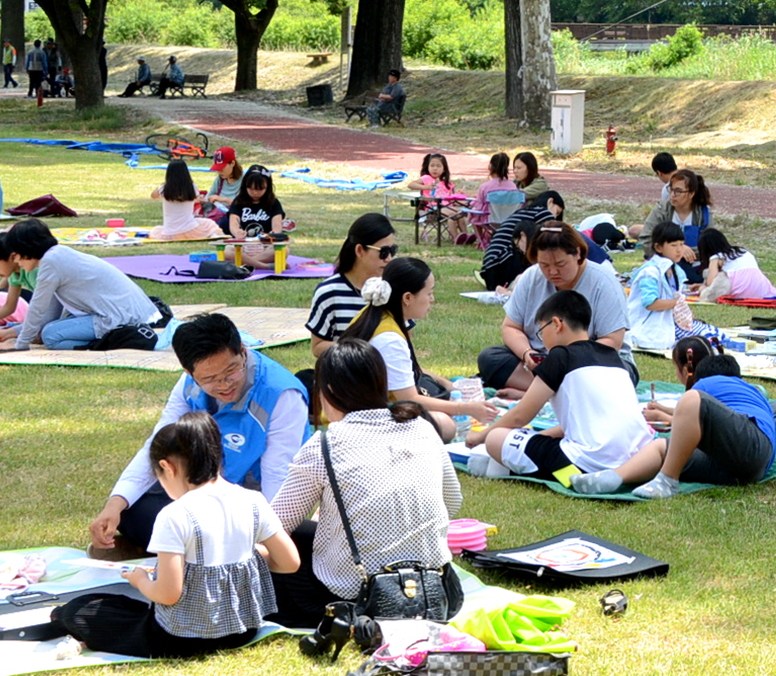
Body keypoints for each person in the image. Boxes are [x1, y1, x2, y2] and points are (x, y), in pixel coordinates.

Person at [56, 412, 300, 658]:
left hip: (180, 639)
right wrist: (250, 554)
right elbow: (290, 562)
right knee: (122, 607)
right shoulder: (253, 500)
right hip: (243, 630)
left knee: (80, 610)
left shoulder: (175, 515)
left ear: (167, 467)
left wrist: (140, 580)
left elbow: (168, 594)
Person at [267, 339, 462, 630]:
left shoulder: (324, 444)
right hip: (434, 589)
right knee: (313, 531)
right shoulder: (422, 427)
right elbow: (452, 502)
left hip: (357, 595)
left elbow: (274, 525)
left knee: (282, 543)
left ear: (328, 391)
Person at [87, 314, 310, 555]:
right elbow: (158, 444)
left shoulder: (281, 395)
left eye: (231, 371)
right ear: (189, 372)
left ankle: (178, 551)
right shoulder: (188, 383)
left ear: (243, 351)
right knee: (131, 509)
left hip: (250, 502)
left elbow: (278, 477)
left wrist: (265, 545)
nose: (224, 385)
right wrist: (114, 504)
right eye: (210, 379)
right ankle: (183, 548)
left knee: (180, 525)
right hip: (205, 492)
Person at [472, 291, 662, 495]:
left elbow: (520, 415)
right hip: (636, 459)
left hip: (585, 461)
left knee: (497, 438)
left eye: (541, 332)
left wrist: (482, 436)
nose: (542, 340)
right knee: (535, 439)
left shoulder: (560, 356)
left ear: (556, 324)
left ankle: (564, 476)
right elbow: (581, 422)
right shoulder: (614, 358)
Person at [344, 258, 496, 442]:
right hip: (363, 421)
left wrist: (445, 382)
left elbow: (402, 369)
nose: (432, 299)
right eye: (429, 293)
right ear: (407, 298)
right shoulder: (389, 339)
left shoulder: (375, 316)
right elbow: (411, 400)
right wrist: (468, 409)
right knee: (445, 425)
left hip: (351, 410)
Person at [479, 223, 633, 390]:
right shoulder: (531, 277)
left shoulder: (604, 282)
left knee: (617, 375)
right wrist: (527, 354)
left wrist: (564, 361)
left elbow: (612, 341)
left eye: (560, 264)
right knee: (491, 358)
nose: (552, 272)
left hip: (589, 364)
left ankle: (540, 393)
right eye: (544, 265)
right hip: (541, 362)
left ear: (578, 254)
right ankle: (550, 392)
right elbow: (511, 327)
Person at [0, 219, 167, 351]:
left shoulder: (50, 263)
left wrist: (21, 343)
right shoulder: (55, 256)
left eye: (16, 255)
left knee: (51, 336)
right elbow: (49, 313)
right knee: (52, 329)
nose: (17, 261)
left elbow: (38, 309)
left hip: (118, 316)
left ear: (26, 249)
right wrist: (13, 332)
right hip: (122, 312)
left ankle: (109, 343)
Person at [628, 349, 776, 498]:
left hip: (752, 448)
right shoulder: (751, 392)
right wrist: (662, 410)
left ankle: (667, 480)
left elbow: (690, 421)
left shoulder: (706, 383)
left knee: (692, 399)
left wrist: (661, 415)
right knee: (663, 447)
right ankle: (612, 478)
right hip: (751, 468)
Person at [307, 213, 397, 359]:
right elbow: (318, 347)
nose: (389, 258)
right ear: (359, 250)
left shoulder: (394, 289)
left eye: (392, 250)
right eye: (383, 252)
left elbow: (406, 342)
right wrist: (360, 351)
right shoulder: (329, 292)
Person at [625, 222, 698, 351]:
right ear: (658, 247)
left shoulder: (675, 270)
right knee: (701, 338)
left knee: (708, 334)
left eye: (682, 244)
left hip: (666, 324)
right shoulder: (650, 272)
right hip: (646, 327)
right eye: (673, 245)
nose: (679, 249)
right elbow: (651, 303)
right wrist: (677, 303)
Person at [150, 157, 223, 240]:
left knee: (156, 230)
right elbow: (192, 198)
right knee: (209, 223)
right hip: (190, 230)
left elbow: (153, 196)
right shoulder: (192, 187)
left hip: (170, 233)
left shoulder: (164, 188)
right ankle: (213, 234)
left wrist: (162, 186)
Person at [696, 228, 775, 302]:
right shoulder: (744, 251)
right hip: (760, 291)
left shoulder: (716, 257)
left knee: (714, 284)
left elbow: (711, 283)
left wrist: (702, 287)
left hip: (739, 293)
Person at [643, 169, 713, 248]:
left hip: (695, 260)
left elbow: (710, 244)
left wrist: (690, 252)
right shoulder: (661, 210)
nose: (672, 195)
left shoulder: (703, 214)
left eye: (678, 191)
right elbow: (646, 238)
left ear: (691, 194)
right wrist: (676, 251)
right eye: (671, 189)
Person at [409, 152, 470, 242]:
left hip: (447, 207)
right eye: (432, 166)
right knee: (453, 215)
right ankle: (456, 238)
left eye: (438, 166)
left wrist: (459, 194)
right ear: (428, 167)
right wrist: (426, 187)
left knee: (459, 215)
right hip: (432, 208)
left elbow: (451, 198)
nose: (435, 168)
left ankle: (466, 237)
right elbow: (411, 185)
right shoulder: (426, 178)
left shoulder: (448, 183)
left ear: (444, 169)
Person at [226, 166, 291, 240]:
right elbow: (233, 223)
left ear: (268, 187)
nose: (255, 193)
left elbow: (277, 225)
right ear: (245, 186)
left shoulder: (274, 203)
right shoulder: (238, 202)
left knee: (285, 250)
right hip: (243, 243)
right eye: (251, 188)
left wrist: (273, 234)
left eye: (260, 189)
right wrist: (237, 232)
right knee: (228, 250)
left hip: (266, 243)